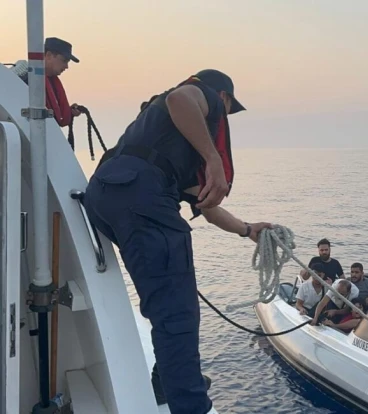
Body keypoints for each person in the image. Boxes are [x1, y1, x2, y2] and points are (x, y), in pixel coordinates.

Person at [84, 69, 273, 414]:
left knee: (168, 302)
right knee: (178, 313)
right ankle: (190, 405)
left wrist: (248, 230)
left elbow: (209, 209)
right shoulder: (201, 93)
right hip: (141, 198)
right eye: (228, 110)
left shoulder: (167, 144)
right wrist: (213, 159)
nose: (224, 116)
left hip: (106, 195)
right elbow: (179, 98)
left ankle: (164, 379)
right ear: (223, 97)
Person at [19, 37, 82, 126]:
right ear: (48, 55)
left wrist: (70, 112)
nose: (66, 66)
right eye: (64, 61)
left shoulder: (52, 82)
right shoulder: (26, 80)